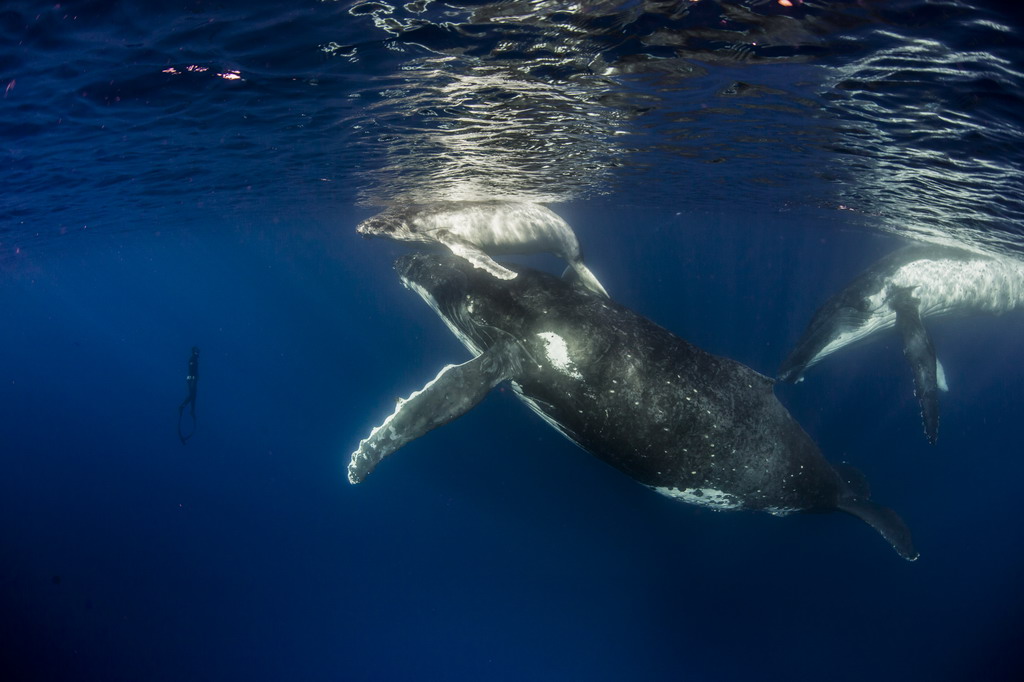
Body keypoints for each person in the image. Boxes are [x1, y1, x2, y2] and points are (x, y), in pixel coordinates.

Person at [178, 346, 199, 444]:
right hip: (192, 380)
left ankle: (191, 410)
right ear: (193, 352)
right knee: (192, 395)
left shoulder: (194, 359)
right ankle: (183, 406)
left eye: (198, 351)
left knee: (194, 396)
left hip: (193, 379)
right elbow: (191, 370)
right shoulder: (192, 359)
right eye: (196, 351)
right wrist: (192, 379)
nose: (197, 353)